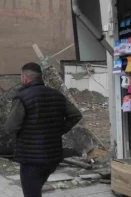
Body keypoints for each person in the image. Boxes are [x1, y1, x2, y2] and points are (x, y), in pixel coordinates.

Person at [6, 62, 82, 197]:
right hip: (53, 156)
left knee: (31, 193)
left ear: (25, 78)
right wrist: (59, 130)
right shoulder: (57, 95)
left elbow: (11, 127)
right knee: (37, 188)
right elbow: (76, 115)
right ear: (40, 77)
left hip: (31, 159)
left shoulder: (22, 97)